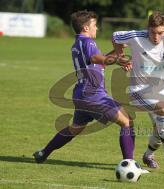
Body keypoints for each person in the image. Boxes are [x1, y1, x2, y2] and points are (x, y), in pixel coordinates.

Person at [33, 10, 135, 163]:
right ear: (86, 28)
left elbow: (98, 62)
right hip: (93, 94)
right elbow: (95, 57)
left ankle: (43, 153)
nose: (97, 28)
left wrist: (117, 53)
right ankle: (130, 164)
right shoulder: (88, 42)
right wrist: (117, 60)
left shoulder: (78, 43)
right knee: (127, 121)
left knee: (74, 129)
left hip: (82, 95)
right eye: (94, 25)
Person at [112, 11, 164, 169]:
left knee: (159, 126)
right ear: (148, 28)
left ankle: (148, 155)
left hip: (159, 91)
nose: (156, 37)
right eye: (153, 32)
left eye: (160, 33)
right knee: (163, 108)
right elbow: (115, 36)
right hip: (137, 90)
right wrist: (120, 56)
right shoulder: (136, 36)